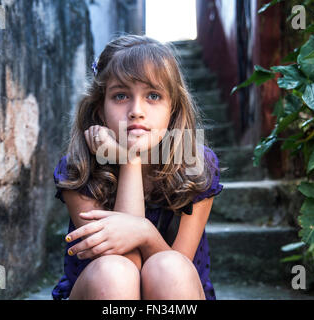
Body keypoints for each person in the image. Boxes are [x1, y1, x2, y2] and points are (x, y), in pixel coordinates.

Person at [51, 34, 224, 300]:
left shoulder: (196, 165)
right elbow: (125, 265)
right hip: (106, 291)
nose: (136, 110)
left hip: (174, 291)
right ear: (100, 109)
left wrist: (144, 233)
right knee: (115, 272)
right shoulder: (79, 167)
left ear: (173, 109)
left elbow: (176, 271)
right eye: (120, 95)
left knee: (170, 268)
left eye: (153, 95)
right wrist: (129, 160)